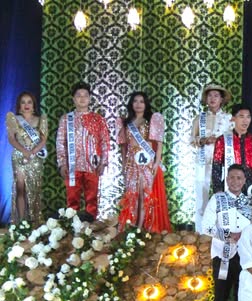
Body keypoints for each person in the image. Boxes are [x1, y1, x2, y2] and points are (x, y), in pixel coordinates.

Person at [202, 164, 252, 301]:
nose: (235, 181)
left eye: (239, 178)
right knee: (220, 297)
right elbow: (206, 226)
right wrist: (228, 235)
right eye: (231, 177)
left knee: (242, 298)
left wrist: (243, 236)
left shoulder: (251, 202)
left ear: (244, 181)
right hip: (222, 255)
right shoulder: (217, 199)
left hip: (244, 256)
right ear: (226, 179)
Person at [116, 91, 171, 232]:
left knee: (145, 195)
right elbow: (124, 148)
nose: (138, 104)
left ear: (146, 104)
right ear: (131, 104)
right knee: (132, 195)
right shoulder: (125, 123)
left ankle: (143, 228)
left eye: (142, 101)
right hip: (131, 164)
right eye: (135, 101)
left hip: (147, 164)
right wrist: (123, 165)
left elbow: (159, 144)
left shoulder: (151, 121)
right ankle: (131, 227)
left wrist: (156, 163)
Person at [56, 82, 110, 220]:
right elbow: (60, 142)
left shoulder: (98, 119)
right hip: (72, 166)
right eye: (78, 95)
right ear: (73, 99)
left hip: (92, 166)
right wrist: (62, 164)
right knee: (72, 200)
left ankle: (90, 227)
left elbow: (104, 141)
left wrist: (103, 163)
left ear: (90, 98)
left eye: (85, 95)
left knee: (92, 200)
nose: (82, 98)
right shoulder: (66, 119)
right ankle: (72, 228)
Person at [191, 84, 233, 232]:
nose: (212, 99)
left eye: (216, 96)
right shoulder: (199, 118)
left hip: (222, 163)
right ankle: (200, 232)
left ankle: (222, 232)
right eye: (209, 95)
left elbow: (233, 140)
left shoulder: (229, 119)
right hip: (202, 161)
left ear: (222, 99)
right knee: (201, 197)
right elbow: (192, 139)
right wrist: (202, 140)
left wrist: (219, 141)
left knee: (222, 195)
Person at [5, 92, 48, 225]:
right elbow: (11, 139)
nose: (26, 105)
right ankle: (21, 222)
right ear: (19, 105)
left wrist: (33, 152)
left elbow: (43, 139)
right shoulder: (14, 119)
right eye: (23, 102)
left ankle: (35, 221)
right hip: (19, 156)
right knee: (20, 187)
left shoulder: (41, 119)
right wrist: (24, 152)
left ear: (33, 104)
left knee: (34, 189)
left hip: (35, 157)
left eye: (29, 102)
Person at [212, 104, 252, 194]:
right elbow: (216, 168)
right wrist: (218, 191)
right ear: (233, 118)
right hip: (230, 186)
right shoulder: (222, 140)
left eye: (248, 117)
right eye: (241, 116)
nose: (245, 120)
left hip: (251, 187)